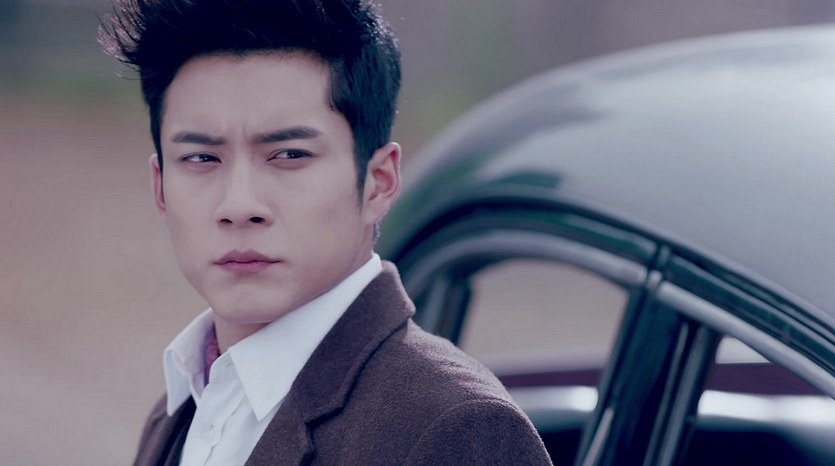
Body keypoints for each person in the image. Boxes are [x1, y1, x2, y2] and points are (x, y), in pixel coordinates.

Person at [100, 1, 553, 464]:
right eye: (201, 158)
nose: (239, 206)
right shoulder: (185, 404)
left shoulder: (457, 427)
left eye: (290, 155)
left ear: (378, 182)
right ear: (160, 187)